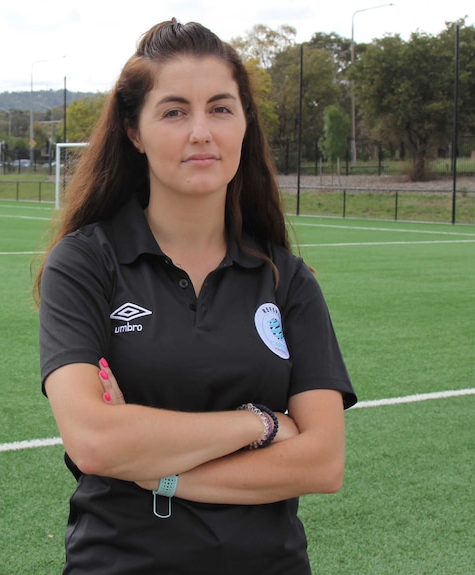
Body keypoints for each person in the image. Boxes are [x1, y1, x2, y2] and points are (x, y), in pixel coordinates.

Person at [35, 19, 357, 574]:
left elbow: (323, 461)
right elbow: (93, 439)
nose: (201, 131)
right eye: (175, 111)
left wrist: (159, 473)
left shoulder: (287, 279)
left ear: (244, 126)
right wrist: (262, 424)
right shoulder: (87, 262)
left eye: (221, 108)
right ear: (135, 132)